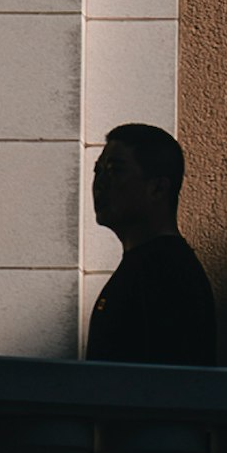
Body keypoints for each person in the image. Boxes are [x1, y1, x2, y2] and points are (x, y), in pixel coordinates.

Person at [83, 123, 219, 366]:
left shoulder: (166, 272)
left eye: (115, 170)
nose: (100, 183)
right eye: (98, 171)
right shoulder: (151, 266)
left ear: (157, 187)